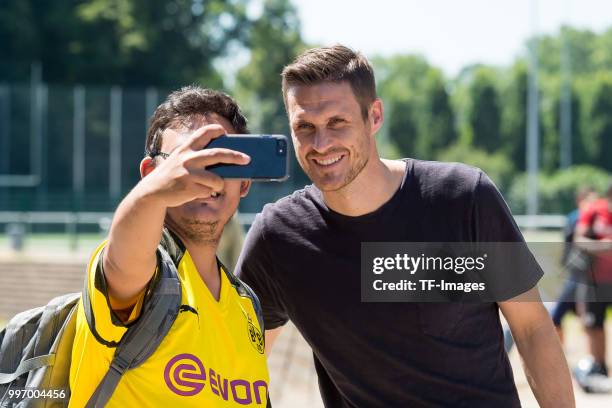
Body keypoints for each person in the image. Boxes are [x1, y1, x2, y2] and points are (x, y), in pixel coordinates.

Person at [236, 45, 574, 407]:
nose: (321, 143)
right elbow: (238, 361)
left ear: (374, 116)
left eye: (337, 122)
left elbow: (532, 328)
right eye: (305, 127)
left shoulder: (463, 199)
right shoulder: (280, 236)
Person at [69, 86, 270, 407]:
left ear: (244, 183)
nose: (204, 176)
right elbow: (123, 257)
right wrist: (154, 193)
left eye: (222, 162)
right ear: (151, 173)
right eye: (186, 159)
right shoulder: (147, 272)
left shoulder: (246, 304)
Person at [573, 182, 612, 383]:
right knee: (594, 325)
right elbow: (579, 239)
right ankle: (599, 368)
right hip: (596, 279)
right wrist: (603, 246)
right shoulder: (595, 210)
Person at [551, 187, 597, 342]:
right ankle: (561, 356)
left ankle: (594, 360)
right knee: (559, 316)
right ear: (579, 201)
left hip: (589, 278)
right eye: (588, 201)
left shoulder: (597, 219)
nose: (592, 205)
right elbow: (568, 246)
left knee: (589, 319)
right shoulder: (575, 218)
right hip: (576, 275)